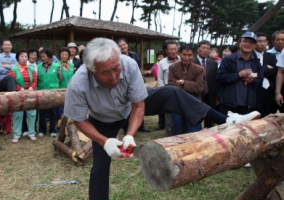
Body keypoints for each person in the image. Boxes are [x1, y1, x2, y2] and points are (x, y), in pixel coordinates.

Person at [64, 38, 261, 200]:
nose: (114, 76)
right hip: (103, 118)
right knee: (100, 167)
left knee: (171, 92)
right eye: (105, 72)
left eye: (116, 68)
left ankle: (228, 120)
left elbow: (139, 105)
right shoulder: (78, 84)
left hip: (130, 106)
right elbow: (79, 119)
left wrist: (130, 136)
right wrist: (104, 142)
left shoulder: (129, 64)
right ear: (91, 70)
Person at [217, 32, 264, 115]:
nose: (248, 44)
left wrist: (252, 80)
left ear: (255, 45)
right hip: (229, 104)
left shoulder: (256, 62)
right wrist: (238, 75)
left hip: (249, 105)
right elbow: (220, 77)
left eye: (251, 42)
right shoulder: (228, 59)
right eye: (245, 41)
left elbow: (259, 78)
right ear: (239, 43)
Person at [168, 44, 204, 134]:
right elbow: (171, 85)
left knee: (194, 131)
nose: (187, 58)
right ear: (179, 54)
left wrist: (183, 82)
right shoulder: (173, 67)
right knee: (178, 130)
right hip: (177, 103)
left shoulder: (199, 69)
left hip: (193, 103)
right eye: (184, 55)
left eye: (189, 55)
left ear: (193, 55)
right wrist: (191, 85)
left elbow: (199, 87)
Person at [116, 37, 150, 133]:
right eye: (120, 46)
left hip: (136, 81)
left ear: (127, 45)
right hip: (124, 83)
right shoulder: (118, 58)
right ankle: (127, 127)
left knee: (139, 103)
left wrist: (141, 76)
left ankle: (141, 125)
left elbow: (138, 68)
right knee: (128, 106)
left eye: (124, 44)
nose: (123, 47)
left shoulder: (134, 55)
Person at [8, 49, 37, 143]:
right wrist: (20, 88)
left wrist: (31, 88)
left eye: (25, 56)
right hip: (18, 94)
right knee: (17, 114)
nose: (24, 58)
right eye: (22, 56)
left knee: (32, 114)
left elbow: (35, 80)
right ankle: (17, 134)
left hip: (30, 93)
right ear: (18, 58)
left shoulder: (31, 69)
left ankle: (31, 133)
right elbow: (11, 81)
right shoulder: (13, 69)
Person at [192, 40, 219, 128]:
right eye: (203, 48)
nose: (205, 50)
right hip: (197, 95)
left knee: (210, 119)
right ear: (198, 49)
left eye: (208, 49)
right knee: (197, 117)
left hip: (210, 95)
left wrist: (217, 97)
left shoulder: (213, 63)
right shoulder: (191, 62)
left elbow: (216, 81)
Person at [37, 48, 61, 137]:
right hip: (41, 91)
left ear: (50, 56)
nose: (42, 58)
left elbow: (60, 78)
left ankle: (52, 130)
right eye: (41, 56)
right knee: (42, 112)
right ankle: (42, 130)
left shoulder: (57, 66)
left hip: (53, 92)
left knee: (53, 112)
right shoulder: (38, 66)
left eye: (44, 56)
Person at [253, 32, 278, 117]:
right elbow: (251, 72)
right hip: (254, 89)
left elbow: (274, 71)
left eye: (264, 41)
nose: (262, 44)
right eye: (259, 41)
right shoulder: (250, 56)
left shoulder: (271, 56)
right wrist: (265, 68)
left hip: (269, 90)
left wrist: (259, 71)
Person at [158, 40, 180, 135]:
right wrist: (163, 94)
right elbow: (160, 80)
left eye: (175, 49)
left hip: (182, 89)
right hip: (169, 90)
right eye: (171, 49)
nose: (174, 51)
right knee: (169, 116)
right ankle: (170, 135)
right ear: (166, 51)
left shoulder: (182, 59)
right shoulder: (162, 63)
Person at [22, 48, 39, 137]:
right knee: (23, 110)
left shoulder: (38, 66)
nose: (33, 56)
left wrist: (32, 87)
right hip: (24, 90)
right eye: (31, 54)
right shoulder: (24, 65)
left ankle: (33, 129)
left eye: (35, 55)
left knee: (33, 110)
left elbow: (36, 79)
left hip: (34, 90)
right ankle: (24, 129)